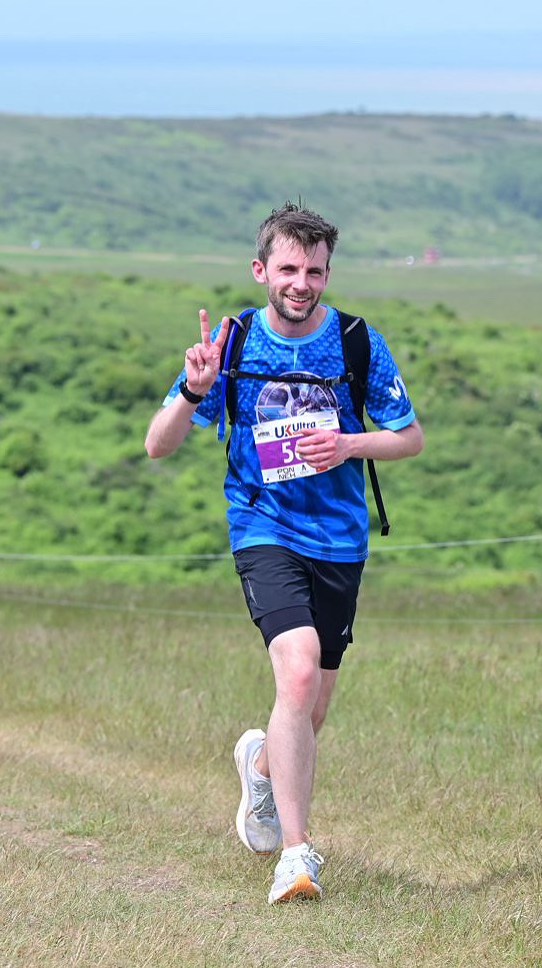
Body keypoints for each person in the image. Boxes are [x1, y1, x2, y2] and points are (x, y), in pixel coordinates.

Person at [144, 203, 424, 904]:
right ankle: (297, 857)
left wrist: (349, 444)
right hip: (262, 527)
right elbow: (157, 445)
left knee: (311, 707)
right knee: (296, 676)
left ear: (327, 273)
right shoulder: (233, 343)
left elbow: (409, 437)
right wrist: (194, 390)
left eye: (315, 271)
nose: (301, 283)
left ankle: (261, 769)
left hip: (340, 540)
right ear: (261, 270)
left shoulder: (356, 342)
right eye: (289, 269)